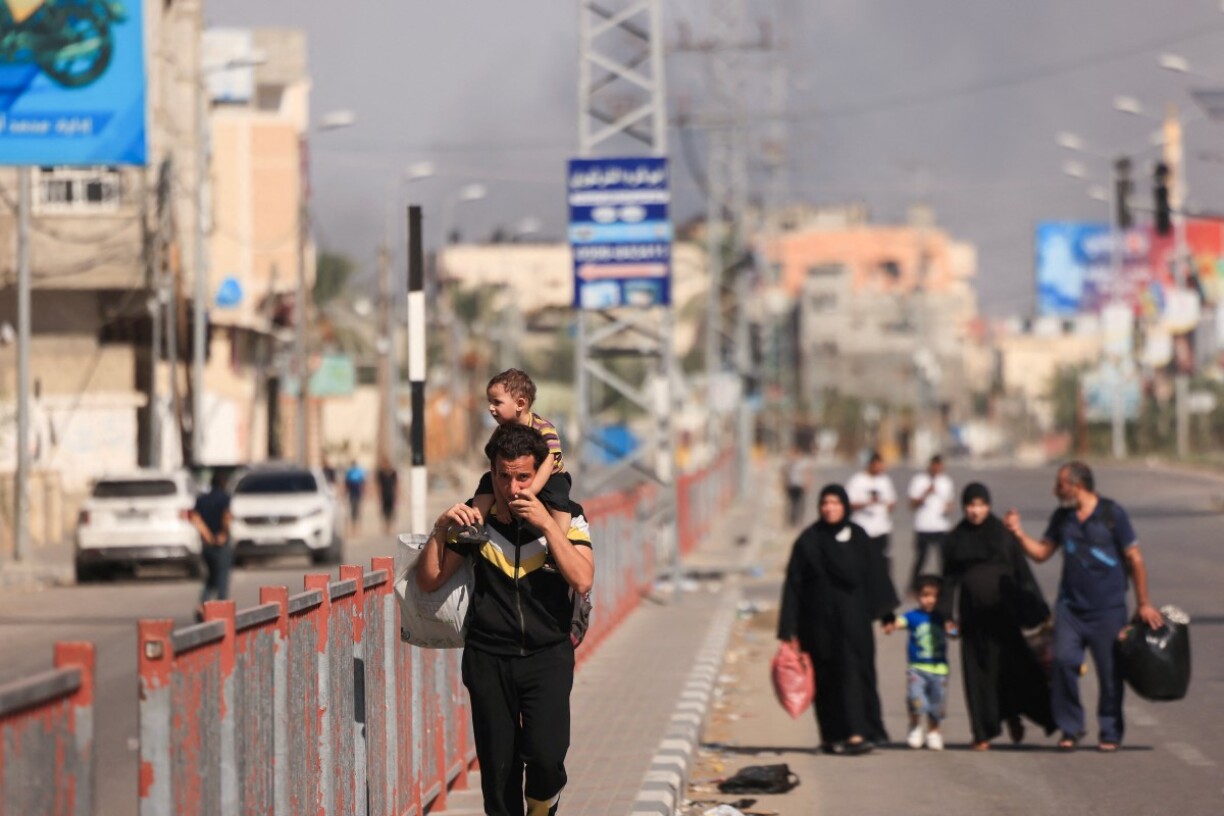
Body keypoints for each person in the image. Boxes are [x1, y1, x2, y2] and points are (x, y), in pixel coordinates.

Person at [416, 423, 594, 816]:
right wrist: (441, 529)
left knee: (546, 759)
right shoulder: (477, 520)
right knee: (498, 777)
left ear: (539, 475)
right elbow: (429, 580)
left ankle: (542, 803)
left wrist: (547, 525)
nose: (513, 489)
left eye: (523, 477)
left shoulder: (567, 517)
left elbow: (582, 578)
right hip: (487, 658)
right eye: (503, 476)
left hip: (547, 656)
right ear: (491, 473)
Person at [1004, 462, 1162, 753]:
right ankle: (1071, 726)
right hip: (1070, 610)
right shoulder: (1062, 518)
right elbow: (1041, 553)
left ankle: (1110, 731)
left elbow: (1135, 559)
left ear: (1077, 485)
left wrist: (1143, 603)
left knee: (1110, 673)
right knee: (1063, 662)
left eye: (1060, 485)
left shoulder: (1112, 514)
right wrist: (1017, 533)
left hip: (1108, 610)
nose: (1055, 491)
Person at [778, 484, 899, 755]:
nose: (829, 508)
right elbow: (794, 585)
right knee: (826, 679)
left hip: (855, 624)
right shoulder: (809, 540)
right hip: (818, 626)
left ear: (845, 506)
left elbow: (876, 576)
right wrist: (788, 628)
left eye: (835, 503)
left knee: (856, 675)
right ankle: (832, 737)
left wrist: (886, 612)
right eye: (825, 503)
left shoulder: (859, 538)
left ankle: (859, 733)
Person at [942, 483, 1055, 750]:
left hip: (1004, 616)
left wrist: (1037, 608)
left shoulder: (1002, 535)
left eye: (980, 505)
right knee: (977, 675)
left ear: (988, 506)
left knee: (1014, 670)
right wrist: (947, 614)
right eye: (970, 505)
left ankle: (1023, 717)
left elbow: (1021, 573)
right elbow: (949, 580)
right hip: (973, 620)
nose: (975, 511)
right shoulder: (956, 538)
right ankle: (982, 733)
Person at [474, 369, 572, 534]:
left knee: (558, 499)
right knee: (485, 484)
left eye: (497, 402)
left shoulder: (543, 428)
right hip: (513, 478)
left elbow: (549, 462)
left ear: (520, 404)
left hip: (550, 476)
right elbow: (494, 467)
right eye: (489, 402)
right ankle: (475, 526)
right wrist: (501, 504)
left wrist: (529, 493)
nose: (491, 408)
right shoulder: (500, 432)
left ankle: (558, 540)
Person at [883, 574, 952, 751]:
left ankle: (934, 732)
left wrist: (952, 629)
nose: (930, 600)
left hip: (939, 669)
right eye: (925, 595)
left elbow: (954, 633)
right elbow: (899, 622)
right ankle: (915, 726)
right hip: (917, 669)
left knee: (938, 702)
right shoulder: (913, 616)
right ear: (917, 596)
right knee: (916, 699)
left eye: (934, 596)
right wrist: (890, 625)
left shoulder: (942, 617)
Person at [907, 454, 954, 587]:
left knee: (943, 559)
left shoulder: (946, 482)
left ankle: (946, 585)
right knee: (921, 559)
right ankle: (913, 586)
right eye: (935, 465)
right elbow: (912, 504)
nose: (937, 468)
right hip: (923, 526)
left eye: (939, 466)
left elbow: (950, 502)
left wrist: (948, 508)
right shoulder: (919, 480)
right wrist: (926, 493)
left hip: (941, 526)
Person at [191, 471, 233, 614]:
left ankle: (202, 605)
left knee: (211, 577)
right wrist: (223, 534)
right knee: (222, 576)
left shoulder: (202, 499)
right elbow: (226, 516)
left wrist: (207, 535)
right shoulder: (225, 498)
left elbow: (196, 518)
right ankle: (221, 608)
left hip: (206, 544)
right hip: (221, 543)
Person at [846, 451, 897, 571]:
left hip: (881, 529)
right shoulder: (857, 480)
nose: (880, 468)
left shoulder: (884, 481)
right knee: (861, 562)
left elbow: (892, 501)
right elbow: (849, 503)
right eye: (877, 465)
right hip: (862, 528)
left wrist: (885, 505)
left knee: (882, 562)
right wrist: (867, 503)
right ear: (871, 464)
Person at [781, 449, 812, 527]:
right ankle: (791, 521)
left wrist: (807, 484)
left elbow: (808, 473)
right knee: (791, 504)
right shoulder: (789, 464)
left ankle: (799, 521)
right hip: (791, 486)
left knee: (800, 504)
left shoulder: (803, 463)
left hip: (800, 486)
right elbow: (784, 474)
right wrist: (784, 484)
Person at [376, 456, 398, 535]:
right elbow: (378, 485)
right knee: (384, 511)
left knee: (391, 511)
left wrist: (398, 494)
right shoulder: (380, 473)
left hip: (391, 494)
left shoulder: (393, 472)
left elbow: (396, 484)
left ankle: (389, 526)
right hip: (384, 494)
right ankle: (385, 526)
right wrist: (378, 494)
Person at [344, 459, 366, 535]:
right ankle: (353, 528)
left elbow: (363, 483)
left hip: (357, 494)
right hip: (352, 494)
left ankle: (357, 529)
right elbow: (346, 483)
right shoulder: (349, 472)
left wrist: (364, 492)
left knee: (357, 511)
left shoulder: (359, 472)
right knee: (352, 511)